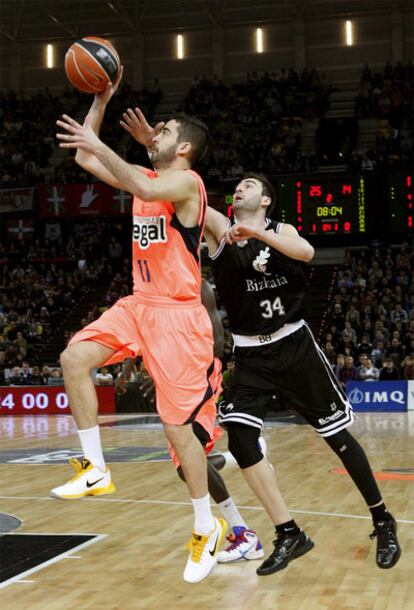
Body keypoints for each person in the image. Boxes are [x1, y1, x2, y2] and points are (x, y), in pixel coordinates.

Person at [54, 71, 226, 583]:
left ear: (186, 147)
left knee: (177, 430)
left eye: (166, 131)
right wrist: (100, 102)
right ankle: (94, 468)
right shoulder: (150, 179)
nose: (156, 132)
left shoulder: (186, 183)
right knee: (73, 358)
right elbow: (87, 158)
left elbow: (132, 177)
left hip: (179, 318)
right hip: (139, 303)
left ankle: (206, 526)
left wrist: (113, 146)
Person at [201, 172, 400, 573]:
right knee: (240, 441)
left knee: (337, 438)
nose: (240, 188)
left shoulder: (282, 229)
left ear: (266, 202)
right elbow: (183, 195)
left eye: (250, 185)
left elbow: (306, 252)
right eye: (237, 185)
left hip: (295, 347)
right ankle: (289, 533)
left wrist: (258, 236)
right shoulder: (219, 229)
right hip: (250, 354)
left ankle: (383, 520)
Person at [117, 279, 265, 563]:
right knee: (188, 467)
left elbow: (217, 343)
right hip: (173, 380)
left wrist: (177, 377)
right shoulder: (152, 287)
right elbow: (144, 331)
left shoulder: (201, 287)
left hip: (198, 378)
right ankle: (242, 460)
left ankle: (243, 534)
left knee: (189, 464)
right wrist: (127, 369)